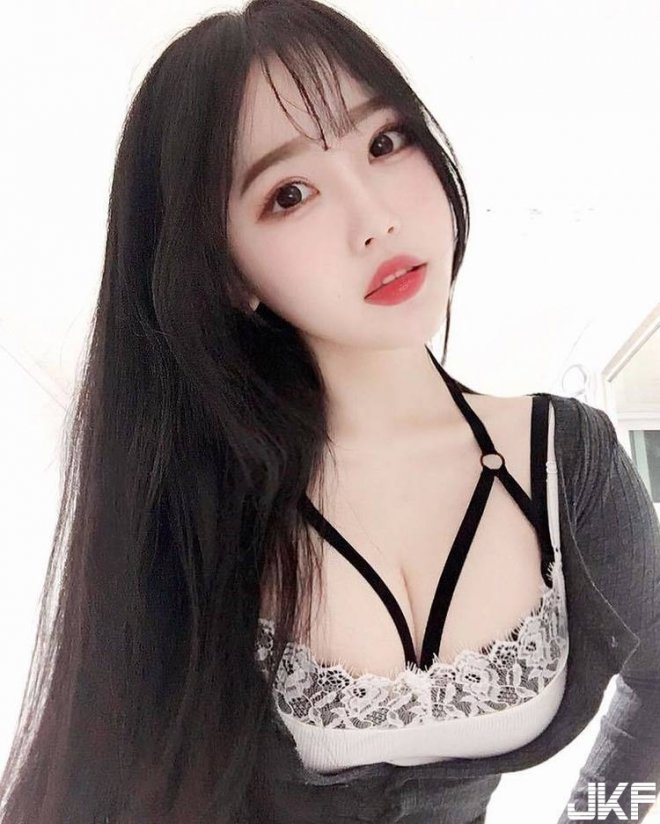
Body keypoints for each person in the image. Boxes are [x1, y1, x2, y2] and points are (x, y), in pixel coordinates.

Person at [0, 1, 658, 822]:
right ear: (226, 272)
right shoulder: (197, 495)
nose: (374, 219)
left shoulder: (565, 462)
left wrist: (598, 817)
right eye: (291, 193)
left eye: (384, 142)